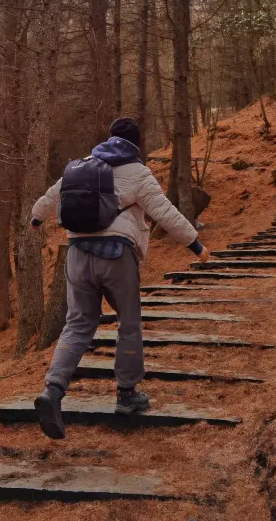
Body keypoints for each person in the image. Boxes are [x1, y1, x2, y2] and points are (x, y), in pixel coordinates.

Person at [30, 117, 210, 439]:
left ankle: (53, 390)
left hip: (77, 255)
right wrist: (195, 244)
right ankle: (126, 395)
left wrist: (35, 218)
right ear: (136, 145)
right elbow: (164, 212)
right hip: (116, 256)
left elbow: (50, 198)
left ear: (110, 139)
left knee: (77, 323)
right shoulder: (138, 173)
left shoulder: (83, 167)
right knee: (128, 322)